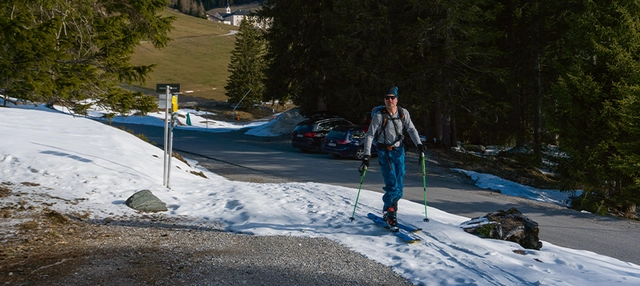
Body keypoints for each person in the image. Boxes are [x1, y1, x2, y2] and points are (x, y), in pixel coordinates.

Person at [360, 86, 425, 231]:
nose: (390, 100)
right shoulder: (379, 116)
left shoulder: (403, 113)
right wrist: (366, 154)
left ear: (397, 99)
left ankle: (389, 210)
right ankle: (390, 212)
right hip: (385, 153)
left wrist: (419, 145)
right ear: (384, 100)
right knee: (392, 184)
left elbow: (411, 129)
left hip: (399, 151)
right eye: (387, 97)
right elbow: (369, 135)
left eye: (392, 97)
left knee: (399, 186)